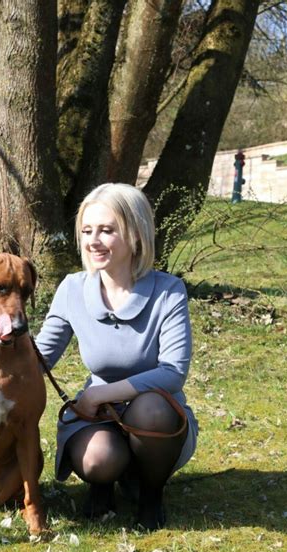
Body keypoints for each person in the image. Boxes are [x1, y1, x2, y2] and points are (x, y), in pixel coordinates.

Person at [35, 183, 198, 529]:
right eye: (87, 230)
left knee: (153, 406)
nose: (93, 241)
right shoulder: (72, 288)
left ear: (136, 235)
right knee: (98, 460)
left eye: (107, 230)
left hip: (155, 416)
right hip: (96, 419)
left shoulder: (169, 291)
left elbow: (173, 373)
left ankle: (151, 494)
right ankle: (102, 484)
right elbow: (39, 358)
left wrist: (100, 393)